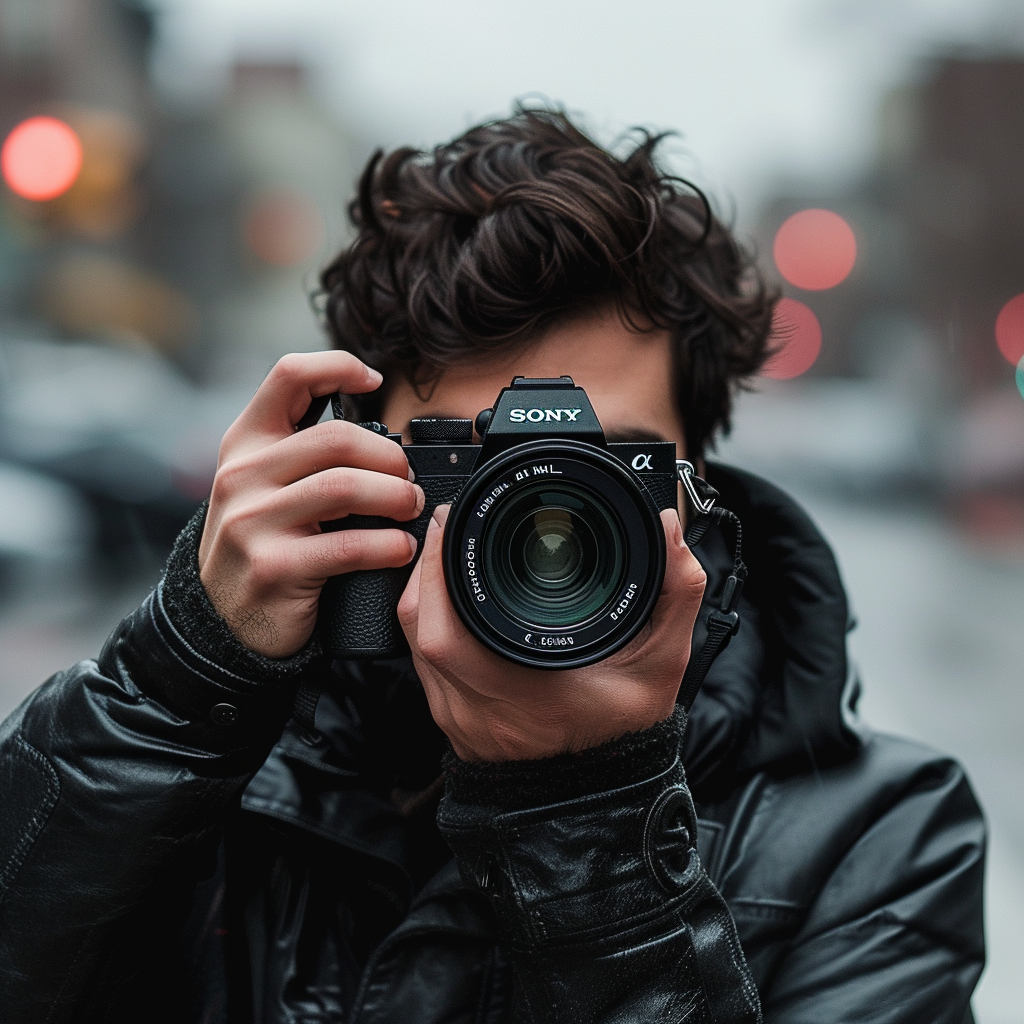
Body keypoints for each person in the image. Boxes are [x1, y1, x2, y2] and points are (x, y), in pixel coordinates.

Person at [0, 109, 984, 1023]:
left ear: (695, 490)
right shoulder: (218, 768)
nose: (543, 519)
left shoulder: (879, 842)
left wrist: (589, 810)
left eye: (607, 469)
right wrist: (180, 675)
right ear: (366, 470)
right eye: (477, 468)